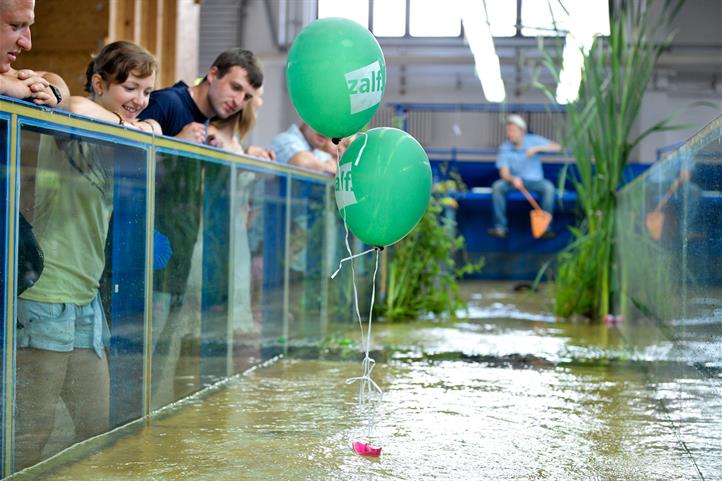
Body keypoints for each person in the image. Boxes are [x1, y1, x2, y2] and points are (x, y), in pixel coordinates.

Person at [15, 40, 158, 470]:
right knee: (32, 431)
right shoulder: (70, 122)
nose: (139, 100)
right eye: (131, 87)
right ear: (100, 82)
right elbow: (76, 105)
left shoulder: (116, 135)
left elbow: (155, 130)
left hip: (84, 297)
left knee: (97, 426)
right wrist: (131, 124)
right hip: (45, 294)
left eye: (148, 91)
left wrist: (140, 125)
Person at [138, 48, 263, 407]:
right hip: (145, 252)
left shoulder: (206, 124)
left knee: (164, 360)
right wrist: (173, 144)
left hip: (177, 254)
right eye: (234, 87)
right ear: (212, 73)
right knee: (138, 363)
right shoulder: (166, 103)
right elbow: (123, 165)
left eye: (246, 96)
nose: (237, 101)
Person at [488, 114, 561, 239]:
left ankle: (545, 229)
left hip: (536, 181)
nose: (510, 134)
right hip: (514, 182)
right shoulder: (505, 147)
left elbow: (558, 147)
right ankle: (501, 228)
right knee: (497, 186)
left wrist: (537, 148)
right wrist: (512, 179)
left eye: (513, 130)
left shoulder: (533, 140)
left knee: (549, 188)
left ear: (522, 131)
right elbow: (504, 173)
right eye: (508, 131)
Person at [0, 0, 69, 106]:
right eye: (16, 26)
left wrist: (52, 92)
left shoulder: (14, 78)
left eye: (28, 26)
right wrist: (3, 85)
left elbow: (51, 79)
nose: (27, 45)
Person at [271, 122, 338, 175]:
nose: (325, 130)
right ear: (305, 118)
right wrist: (327, 167)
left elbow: (335, 169)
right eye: (321, 121)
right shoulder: (284, 140)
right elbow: (301, 162)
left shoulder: (319, 153)